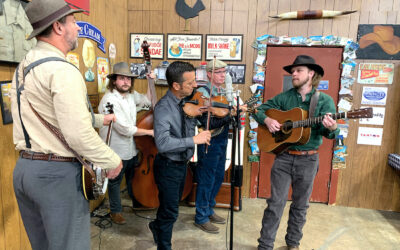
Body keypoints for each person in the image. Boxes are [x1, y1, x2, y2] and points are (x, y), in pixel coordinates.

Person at [10, 0, 122, 249]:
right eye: (73, 22)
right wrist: (111, 160)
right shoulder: (62, 70)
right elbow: (78, 135)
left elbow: (46, 113)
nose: (78, 28)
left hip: (25, 170)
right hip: (56, 176)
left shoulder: (24, 66)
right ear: (58, 27)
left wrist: (97, 118)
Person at [252, 55, 339, 250]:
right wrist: (267, 120)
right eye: (293, 71)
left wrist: (332, 127)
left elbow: (331, 133)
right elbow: (259, 111)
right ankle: (265, 245)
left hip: (308, 160)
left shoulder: (324, 100)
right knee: (275, 203)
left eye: (299, 70)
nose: (294, 74)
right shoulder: (285, 97)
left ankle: (293, 244)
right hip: (283, 157)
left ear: (311, 73)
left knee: (300, 206)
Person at [149, 61, 211, 250]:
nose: (195, 85)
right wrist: (194, 140)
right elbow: (163, 143)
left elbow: (193, 122)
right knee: (171, 212)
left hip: (181, 165)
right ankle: (164, 246)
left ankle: (156, 226)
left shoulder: (187, 102)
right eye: (190, 83)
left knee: (170, 206)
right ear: (176, 86)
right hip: (168, 166)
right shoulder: (163, 108)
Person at [98, 62, 153, 225]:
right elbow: (124, 129)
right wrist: (150, 132)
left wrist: (150, 83)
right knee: (115, 182)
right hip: (116, 150)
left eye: (128, 79)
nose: (126, 82)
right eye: (122, 78)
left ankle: (137, 202)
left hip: (131, 149)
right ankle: (115, 212)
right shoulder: (109, 100)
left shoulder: (130, 95)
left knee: (132, 177)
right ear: (114, 81)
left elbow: (146, 101)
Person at [193, 59, 232, 233]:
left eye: (224, 72)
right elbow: (205, 121)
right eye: (218, 72)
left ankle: (209, 209)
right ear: (209, 74)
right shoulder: (202, 93)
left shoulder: (222, 91)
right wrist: (230, 115)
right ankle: (200, 216)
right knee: (206, 177)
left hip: (222, 138)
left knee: (217, 176)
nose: (223, 75)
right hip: (209, 139)